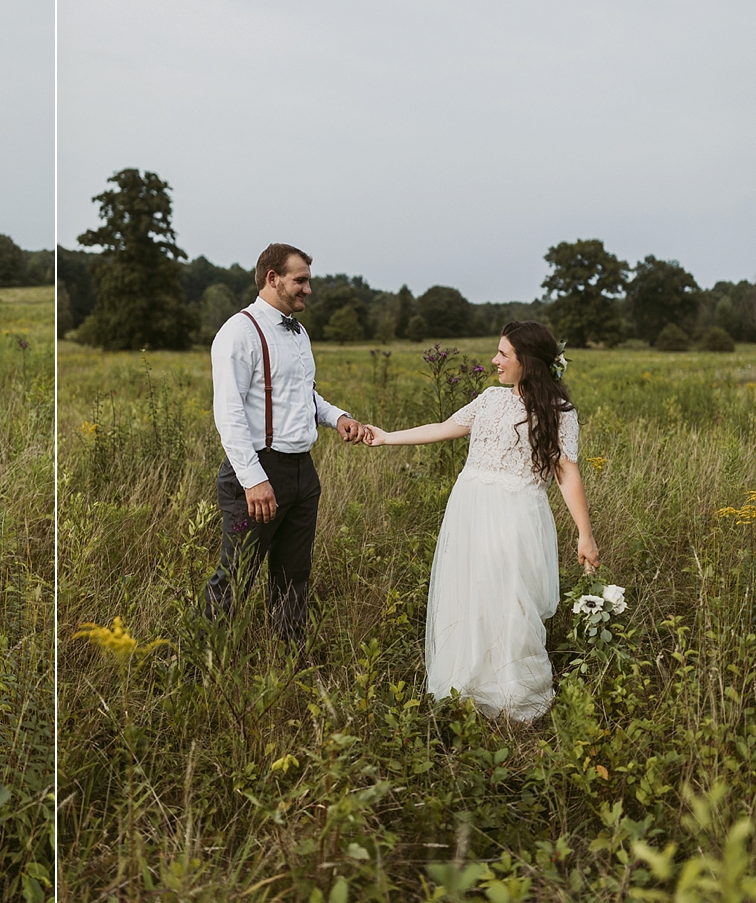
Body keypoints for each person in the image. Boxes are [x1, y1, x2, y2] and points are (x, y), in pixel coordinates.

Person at [363, 320, 600, 722]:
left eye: (503, 354)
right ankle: (466, 684)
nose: (495, 360)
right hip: (470, 509)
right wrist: (387, 437)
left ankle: (516, 693)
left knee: (514, 600)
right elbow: (444, 427)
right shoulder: (490, 399)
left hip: (517, 515)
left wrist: (585, 533)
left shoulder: (559, 412)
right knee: (470, 593)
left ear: (528, 362)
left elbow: (567, 472)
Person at [206, 242, 367, 649]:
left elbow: (303, 395)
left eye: (308, 280)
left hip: (301, 472)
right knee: (235, 577)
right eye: (301, 280)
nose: (308, 289)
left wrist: (338, 417)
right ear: (272, 278)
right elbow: (228, 413)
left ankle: (289, 659)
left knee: (294, 576)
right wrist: (254, 480)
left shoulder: (299, 333)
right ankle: (198, 664)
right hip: (258, 473)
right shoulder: (239, 332)